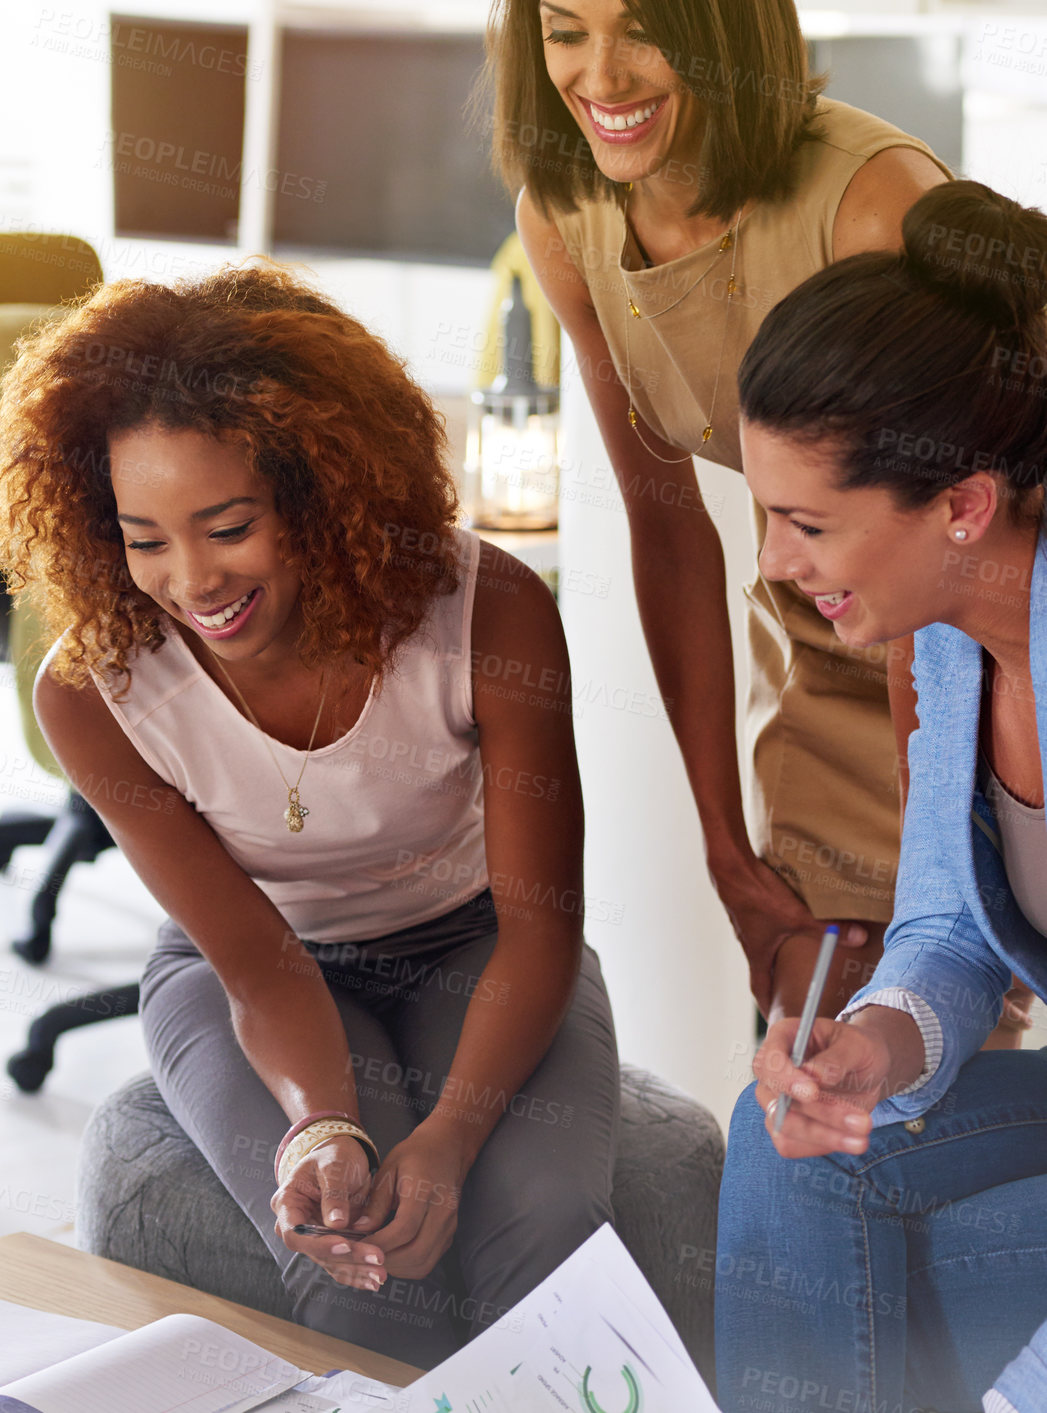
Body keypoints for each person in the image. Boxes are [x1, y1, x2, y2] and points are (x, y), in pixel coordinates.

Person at [0, 263, 619, 1364]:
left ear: (323, 496)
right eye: (144, 538)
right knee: (354, 1248)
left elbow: (539, 922)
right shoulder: (92, 691)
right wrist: (321, 1130)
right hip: (260, 964)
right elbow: (257, 964)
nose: (190, 580)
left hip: (476, 939)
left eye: (226, 526)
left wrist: (450, 1143)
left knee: (544, 1225)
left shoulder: (488, 610)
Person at [484, 0, 991, 1027]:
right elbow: (666, 528)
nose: (601, 75)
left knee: (949, 1033)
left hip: (980, 645)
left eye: (643, 29)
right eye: (565, 30)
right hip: (826, 641)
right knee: (816, 1045)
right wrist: (722, 841)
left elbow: (930, 543)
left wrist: (939, 863)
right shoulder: (563, 210)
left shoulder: (866, 202)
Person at [716, 181, 1047, 1413]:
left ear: (960, 504)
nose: (772, 564)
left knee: (941, 1273)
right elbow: (949, 931)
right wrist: (877, 1044)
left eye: (805, 522)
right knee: (790, 1143)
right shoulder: (955, 644)